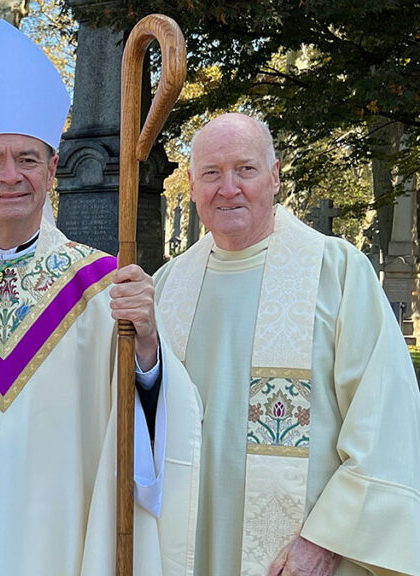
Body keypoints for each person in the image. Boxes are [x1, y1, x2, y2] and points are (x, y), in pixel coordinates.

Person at [0, 20, 201, 575]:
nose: (10, 176)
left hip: (60, 539)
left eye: (27, 159)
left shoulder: (102, 286)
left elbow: (155, 429)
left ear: (53, 169)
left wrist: (147, 348)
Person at [154, 112, 420, 576]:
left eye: (246, 169)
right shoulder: (167, 286)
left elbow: (385, 418)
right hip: (183, 542)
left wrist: (328, 538)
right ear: (193, 186)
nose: (228, 187)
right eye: (211, 173)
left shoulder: (337, 273)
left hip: (299, 554)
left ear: (275, 177)